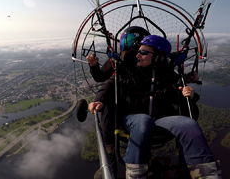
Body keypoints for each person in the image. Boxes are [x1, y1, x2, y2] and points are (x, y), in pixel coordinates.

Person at [89, 35, 222, 179]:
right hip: (132, 120)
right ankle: (135, 176)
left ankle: (207, 175)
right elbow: (108, 86)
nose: (138, 55)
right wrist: (99, 100)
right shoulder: (127, 70)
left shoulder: (169, 76)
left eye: (144, 52)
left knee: (189, 124)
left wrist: (190, 95)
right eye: (138, 51)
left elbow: (183, 103)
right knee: (143, 121)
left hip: (159, 121)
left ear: (158, 57)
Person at [86, 26, 150, 178]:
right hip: (120, 108)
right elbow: (103, 79)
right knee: (109, 103)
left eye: (129, 43)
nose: (126, 48)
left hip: (144, 108)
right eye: (124, 42)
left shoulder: (151, 63)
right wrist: (94, 67)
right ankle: (111, 157)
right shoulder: (117, 61)